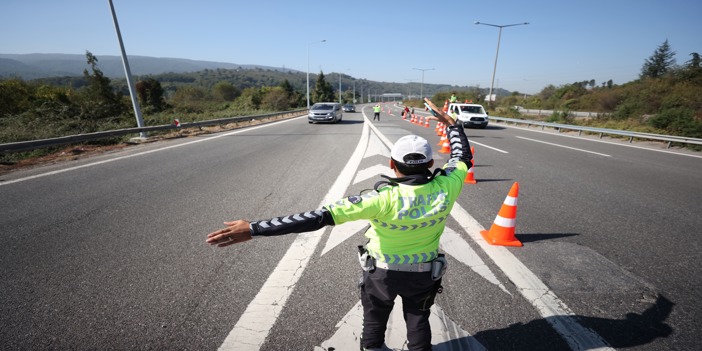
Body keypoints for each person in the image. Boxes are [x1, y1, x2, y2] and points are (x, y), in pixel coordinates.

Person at [206, 98, 473, 351]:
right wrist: (453, 126)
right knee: (418, 320)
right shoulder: (448, 186)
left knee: (374, 321)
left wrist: (254, 228)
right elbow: (462, 158)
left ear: (392, 164)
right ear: (429, 163)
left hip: (382, 275)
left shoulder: (379, 199)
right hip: (424, 274)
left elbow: (316, 217)